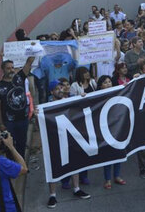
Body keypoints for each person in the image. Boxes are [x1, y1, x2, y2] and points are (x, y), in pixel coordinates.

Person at [46, 80, 90, 208]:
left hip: (70, 138)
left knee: (74, 163)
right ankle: (52, 195)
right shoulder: (46, 106)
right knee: (53, 166)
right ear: (51, 92)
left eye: (61, 87)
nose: (60, 89)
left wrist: (82, 98)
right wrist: (38, 115)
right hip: (54, 140)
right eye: (57, 88)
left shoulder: (70, 100)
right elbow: (40, 126)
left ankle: (76, 188)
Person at [0, 56, 35, 158]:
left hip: (23, 119)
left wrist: (32, 52)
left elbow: (29, 63)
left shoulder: (19, 78)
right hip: (8, 122)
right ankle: (11, 165)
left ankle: (22, 164)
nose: (11, 70)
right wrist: (1, 123)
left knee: (22, 143)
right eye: (8, 68)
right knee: (9, 145)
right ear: (3, 70)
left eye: (12, 67)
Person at [95, 76, 127, 189]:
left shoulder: (117, 92)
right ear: (100, 86)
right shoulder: (96, 97)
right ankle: (107, 179)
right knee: (107, 155)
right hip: (104, 129)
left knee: (118, 152)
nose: (108, 84)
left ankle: (117, 176)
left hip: (117, 127)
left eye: (109, 82)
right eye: (105, 82)